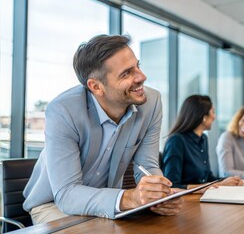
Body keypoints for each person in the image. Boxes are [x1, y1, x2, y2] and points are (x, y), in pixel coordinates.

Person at [23, 34, 183, 224]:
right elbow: (67, 194)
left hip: (109, 202)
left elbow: (147, 167)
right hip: (53, 204)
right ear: (96, 86)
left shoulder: (151, 103)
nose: (142, 77)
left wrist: (159, 196)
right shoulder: (63, 111)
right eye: (126, 73)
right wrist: (130, 198)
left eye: (137, 66)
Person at [162, 95, 243, 190]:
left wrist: (228, 181)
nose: (214, 117)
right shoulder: (176, 141)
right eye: (213, 112)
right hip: (185, 201)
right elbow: (172, 184)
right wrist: (205, 187)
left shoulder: (203, 139)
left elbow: (207, 177)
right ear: (203, 117)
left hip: (202, 197)